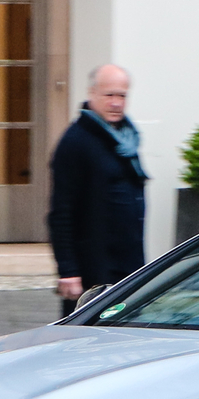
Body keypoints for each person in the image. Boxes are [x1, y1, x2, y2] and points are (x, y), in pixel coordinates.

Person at [48, 64, 148, 305]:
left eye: (122, 96)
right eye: (109, 95)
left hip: (128, 266)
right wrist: (68, 271)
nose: (116, 103)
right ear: (92, 93)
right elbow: (61, 213)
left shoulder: (126, 139)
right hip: (94, 271)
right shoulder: (75, 142)